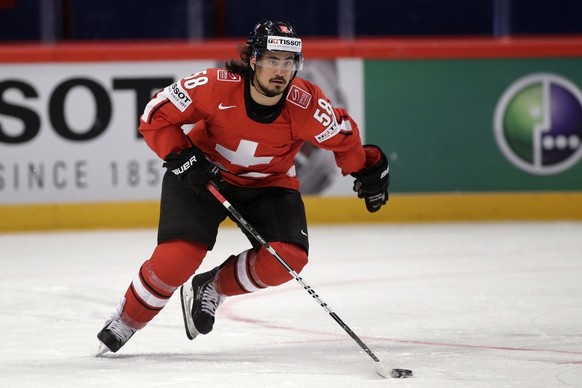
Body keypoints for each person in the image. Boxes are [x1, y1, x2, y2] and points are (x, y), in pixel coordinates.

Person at [96, 19, 390, 355]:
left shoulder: (305, 105)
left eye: (288, 62)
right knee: (175, 261)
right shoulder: (213, 86)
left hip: (270, 184)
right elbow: (154, 116)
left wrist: (365, 165)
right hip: (203, 178)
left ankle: (213, 285)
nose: (280, 71)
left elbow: (344, 135)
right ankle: (126, 320)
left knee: (287, 259)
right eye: (271, 60)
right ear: (253, 60)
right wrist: (182, 156)